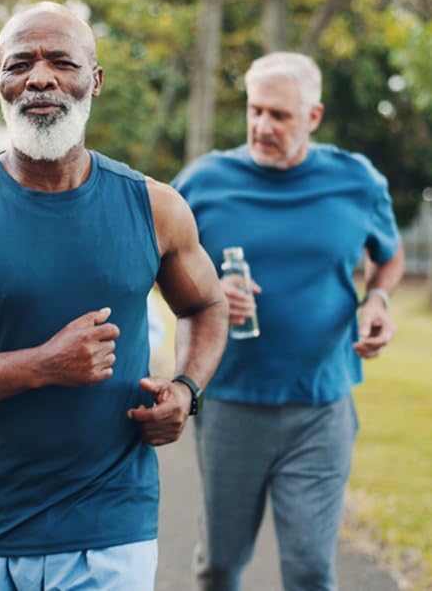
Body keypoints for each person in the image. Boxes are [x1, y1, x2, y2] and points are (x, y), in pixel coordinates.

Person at [0, 1, 228, 590]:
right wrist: (44, 365)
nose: (39, 77)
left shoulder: (154, 207)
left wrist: (187, 389)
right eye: (19, 64)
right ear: (0, 82)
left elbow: (206, 305)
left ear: (93, 80)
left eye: (60, 62)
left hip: (111, 523)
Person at [173, 51, 405, 591]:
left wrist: (378, 301)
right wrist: (208, 292)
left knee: (309, 569)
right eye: (255, 111)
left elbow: (388, 255)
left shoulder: (356, 181)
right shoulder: (204, 182)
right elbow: (162, 268)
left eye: (279, 115)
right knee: (220, 567)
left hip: (321, 407)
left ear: (314, 117)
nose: (262, 126)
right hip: (230, 402)